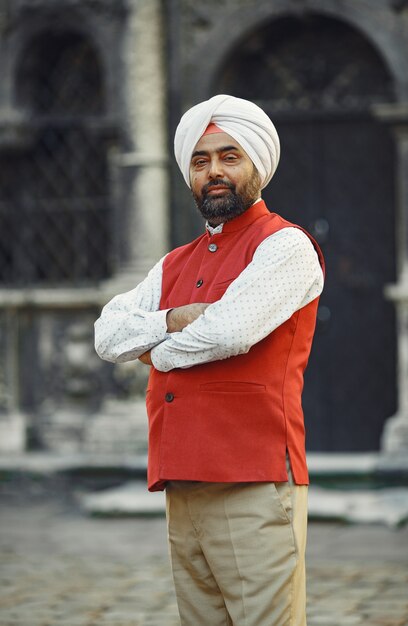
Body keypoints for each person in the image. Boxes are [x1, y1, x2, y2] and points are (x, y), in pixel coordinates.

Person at [94, 94, 324, 626]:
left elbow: (230, 332)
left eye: (229, 156)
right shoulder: (173, 262)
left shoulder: (286, 247)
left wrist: (150, 349)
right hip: (182, 482)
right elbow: (107, 336)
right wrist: (173, 320)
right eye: (201, 161)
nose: (214, 171)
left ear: (257, 165)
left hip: (254, 479)